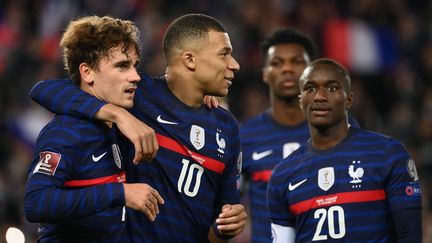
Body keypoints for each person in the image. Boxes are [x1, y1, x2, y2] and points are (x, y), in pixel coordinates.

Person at [29, 13, 247, 242]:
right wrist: (120, 115)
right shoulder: (135, 101)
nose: (135, 76)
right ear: (190, 59)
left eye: (134, 66)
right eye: (224, 54)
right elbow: (44, 90)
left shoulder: (226, 126)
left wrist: (228, 222)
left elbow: (222, 212)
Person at [23, 16, 164, 242]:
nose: (136, 76)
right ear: (87, 72)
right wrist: (120, 193)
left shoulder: (114, 123)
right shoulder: (65, 132)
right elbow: (36, 202)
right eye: (122, 66)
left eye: (135, 66)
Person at [267, 58, 422, 242]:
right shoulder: (283, 174)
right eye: (310, 88)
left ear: (349, 100)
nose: (320, 96)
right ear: (301, 101)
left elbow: (410, 236)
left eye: (332, 88)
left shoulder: (388, 155)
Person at [240, 28, 358, 242]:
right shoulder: (245, 137)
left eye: (297, 62)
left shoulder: (341, 126)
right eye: (277, 63)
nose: (287, 69)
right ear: (265, 72)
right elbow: (226, 204)